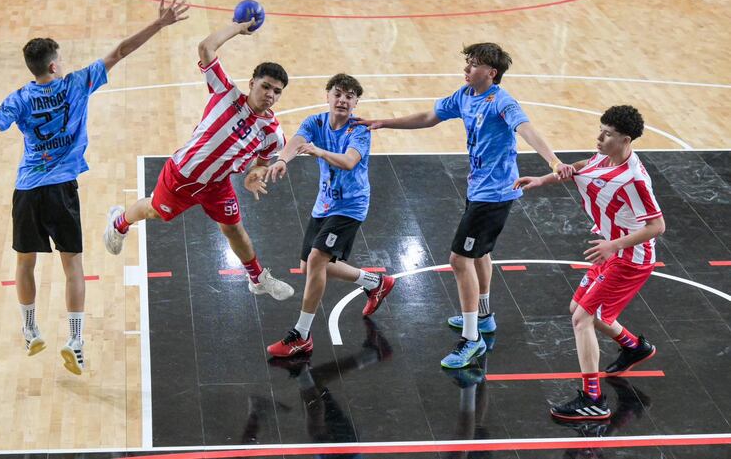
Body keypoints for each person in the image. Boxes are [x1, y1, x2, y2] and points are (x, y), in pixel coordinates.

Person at [0, 0, 190, 375]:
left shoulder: (19, 98)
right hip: (63, 190)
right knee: (74, 268)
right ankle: (76, 339)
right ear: (54, 65)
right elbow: (120, 51)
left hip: (28, 189)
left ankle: (31, 329)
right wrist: (159, 24)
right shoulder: (76, 84)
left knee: (25, 262)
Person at [356, 43, 573, 369]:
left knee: (459, 259)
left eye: (473, 65)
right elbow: (429, 117)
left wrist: (554, 161)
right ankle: (483, 317)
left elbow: (526, 130)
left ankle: (471, 340)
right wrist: (384, 122)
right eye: (467, 63)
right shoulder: (465, 95)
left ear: (491, 73)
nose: (467, 69)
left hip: (495, 194)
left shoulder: (502, 101)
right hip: (478, 189)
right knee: (480, 254)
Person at [103, 19, 295, 303]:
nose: (270, 95)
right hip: (182, 176)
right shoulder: (225, 92)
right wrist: (238, 28)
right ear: (252, 83)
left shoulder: (273, 133)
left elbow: (264, 160)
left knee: (233, 228)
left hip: (217, 185)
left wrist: (257, 171)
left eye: (277, 91)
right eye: (266, 86)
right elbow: (206, 47)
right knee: (156, 211)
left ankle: (256, 279)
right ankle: (119, 222)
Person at [514, 105, 664, 420]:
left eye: (607, 135)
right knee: (580, 311)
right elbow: (584, 167)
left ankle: (592, 399)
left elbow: (656, 226)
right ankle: (634, 346)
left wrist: (614, 244)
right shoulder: (605, 156)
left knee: (582, 318)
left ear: (625, 139)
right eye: (600, 130)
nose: (599, 138)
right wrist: (545, 179)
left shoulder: (633, 179)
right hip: (610, 252)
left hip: (628, 258)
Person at [263, 74, 395, 358]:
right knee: (307, 267)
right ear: (327, 96)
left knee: (316, 260)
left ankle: (301, 334)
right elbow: (296, 141)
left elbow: (348, 162)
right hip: (324, 204)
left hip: (350, 206)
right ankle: (376, 283)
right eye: (338, 94)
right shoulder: (315, 123)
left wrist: (318, 151)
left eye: (349, 96)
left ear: (356, 102)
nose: (343, 100)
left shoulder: (359, 130)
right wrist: (283, 159)